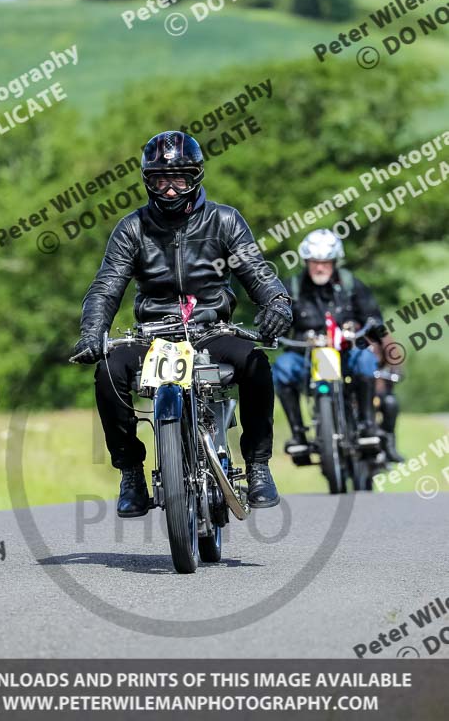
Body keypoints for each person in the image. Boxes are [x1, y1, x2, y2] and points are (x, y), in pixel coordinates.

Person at [73, 131, 292, 517]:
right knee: (108, 369)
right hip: (154, 335)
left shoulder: (225, 220)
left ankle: (258, 466)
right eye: (160, 179)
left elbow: (258, 273)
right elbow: (106, 287)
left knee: (256, 362)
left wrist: (276, 304)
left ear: (196, 177)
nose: (170, 190)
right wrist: (92, 332)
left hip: (212, 331)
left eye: (179, 179)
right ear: (147, 181)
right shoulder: (132, 228)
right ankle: (130, 474)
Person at [273, 228, 403, 465]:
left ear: (334, 262)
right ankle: (298, 434)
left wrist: (376, 336)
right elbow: (278, 319)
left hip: (346, 354)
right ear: (306, 261)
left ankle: (366, 425)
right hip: (304, 355)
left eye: (325, 262)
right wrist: (272, 330)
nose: (319, 267)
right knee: (281, 367)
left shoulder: (352, 284)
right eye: (314, 262)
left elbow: (375, 319)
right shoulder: (291, 287)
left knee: (365, 360)